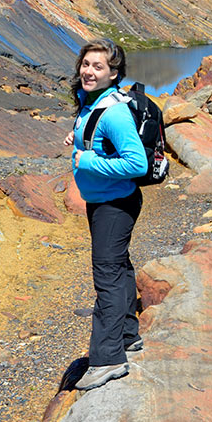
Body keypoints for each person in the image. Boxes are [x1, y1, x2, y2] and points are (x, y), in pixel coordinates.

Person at [64, 38, 147, 390]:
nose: (89, 71)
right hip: (103, 201)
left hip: (115, 205)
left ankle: (109, 358)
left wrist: (89, 160)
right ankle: (128, 334)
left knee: (107, 276)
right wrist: (77, 137)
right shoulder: (93, 101)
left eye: (98, 67)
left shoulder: (113, 111)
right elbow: (97, 133)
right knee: (118, 267)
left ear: (114, 74)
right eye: (86, 64)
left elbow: (136, 162)